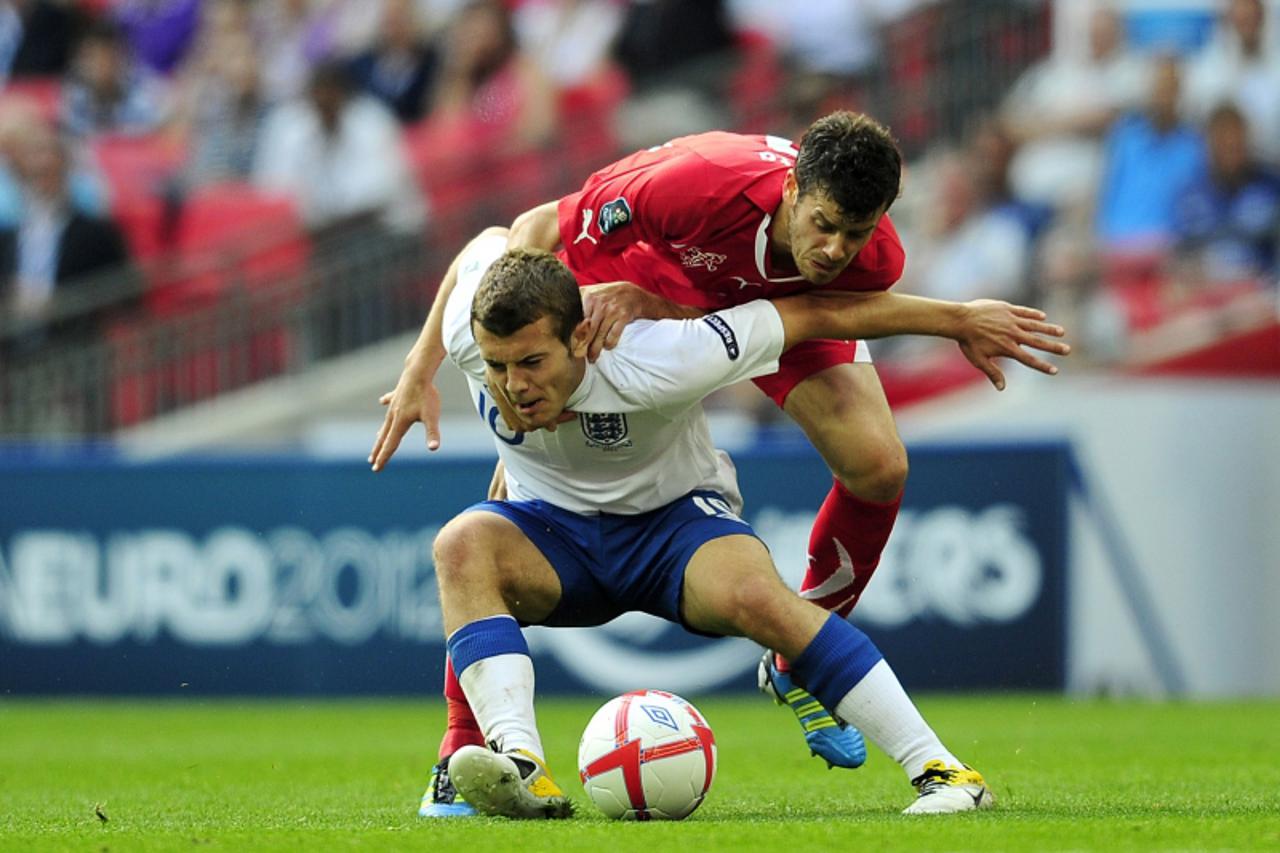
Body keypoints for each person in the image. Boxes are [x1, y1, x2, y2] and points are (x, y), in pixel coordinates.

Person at [371, 111, 1070, 791]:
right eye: (823, 224)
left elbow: (823, 312)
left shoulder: (864, 262)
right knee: (466, 546)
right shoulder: (693, 184)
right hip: (654, 288)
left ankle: (804, 662)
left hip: (732, 329)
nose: (834, 248)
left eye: (854, 233)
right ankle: (475, 758)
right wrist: (435, 378)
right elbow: (525, 236)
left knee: (880, 465)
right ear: (793, 189)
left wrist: (957, 318)